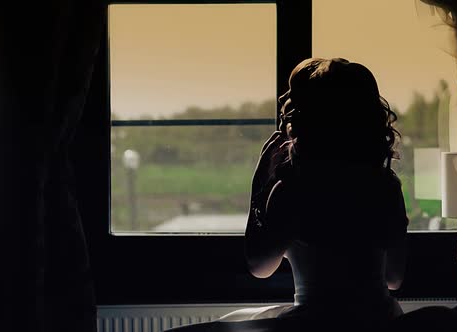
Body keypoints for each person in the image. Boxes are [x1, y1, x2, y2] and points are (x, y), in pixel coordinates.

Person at [170, 57, 409, 332]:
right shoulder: (386, 186)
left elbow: (260, 266)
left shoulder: (294, 190)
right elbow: (394, 278)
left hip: (315, 323)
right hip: (377, 320)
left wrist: (259, 187)